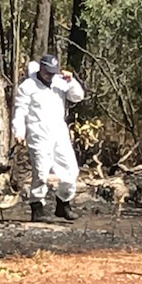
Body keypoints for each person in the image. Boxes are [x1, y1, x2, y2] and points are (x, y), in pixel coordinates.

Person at [12, 54, 85, 222]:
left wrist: (71, 81)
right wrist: (19, 130)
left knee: (70, 170)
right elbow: (20, 110)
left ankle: (63, 204)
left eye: (53, 72)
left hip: (59, 131)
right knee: (41, 171)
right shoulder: (28, 86)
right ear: (41, 68)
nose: (50, 75)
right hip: (38, 132)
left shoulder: (60, 82)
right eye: (47, 72)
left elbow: (77, 96)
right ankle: (37, 207)